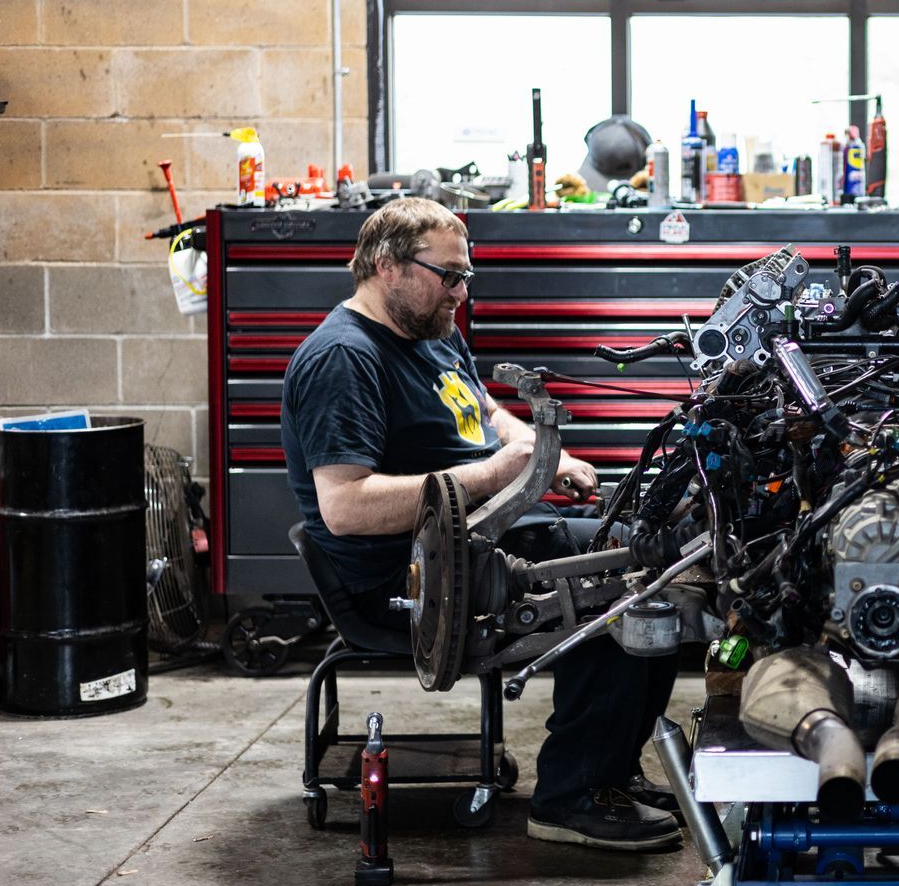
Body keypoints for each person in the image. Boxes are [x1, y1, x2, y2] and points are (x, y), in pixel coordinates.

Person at [280, 197, 681, 850]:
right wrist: (500, 475)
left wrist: (547, 457)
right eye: (450, 276)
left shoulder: (432, 332)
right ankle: (569, 795)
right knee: (617, 588)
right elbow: (346, 507)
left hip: (482, 539)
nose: (461, 293)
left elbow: (486, 413)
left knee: (652, 559)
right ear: (387, 266)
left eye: (467, 277)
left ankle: (609, 769)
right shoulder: (343, 360)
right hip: (409, 578)